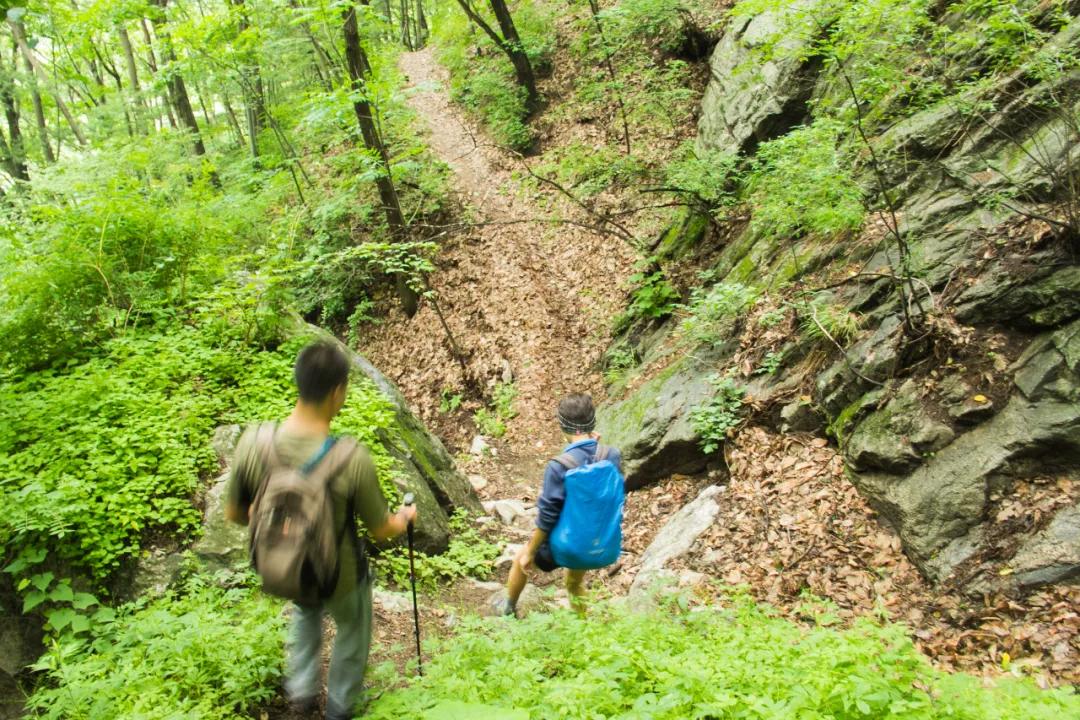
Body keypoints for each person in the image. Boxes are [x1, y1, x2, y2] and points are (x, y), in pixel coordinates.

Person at [225, 341, 416, 720]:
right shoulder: (350, 457)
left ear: (298, 383)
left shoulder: (255, 442)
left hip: (283, 569)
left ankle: (301, 695)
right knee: (352, 627)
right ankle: (339, 708)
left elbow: (235, 513)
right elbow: (381, 530)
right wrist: (405, 517)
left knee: (305, 609)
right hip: (338, 576)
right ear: (338, 391)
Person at [493, 393, 623, 617]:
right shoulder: (611, 455)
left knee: (519, 560)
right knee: (573, 581)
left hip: (568, 547)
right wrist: (596, 445)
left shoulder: (559, 466)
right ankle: (581, 623)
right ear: (593, 422)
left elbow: (547, 516)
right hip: (602, 543)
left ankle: (508, 609)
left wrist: (530, 552)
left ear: (562, 425)